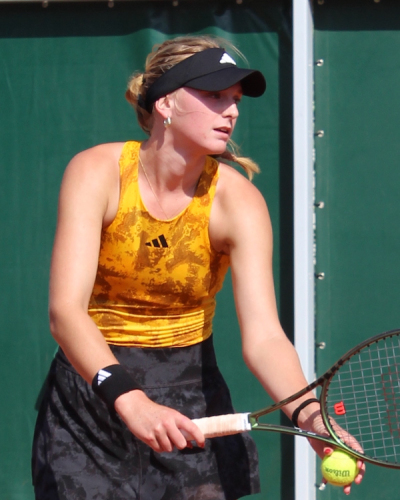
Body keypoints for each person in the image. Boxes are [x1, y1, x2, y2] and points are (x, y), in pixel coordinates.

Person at [32, 35, 364, 500]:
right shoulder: (96, 173)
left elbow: (265, 337)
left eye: (235, 100)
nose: (231, 111)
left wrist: (310, 415)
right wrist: (132, 400)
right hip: (90, 399)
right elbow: (65, 313)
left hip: (192, 397)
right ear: (165, 102)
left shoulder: (239, 202)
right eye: (214, 95)